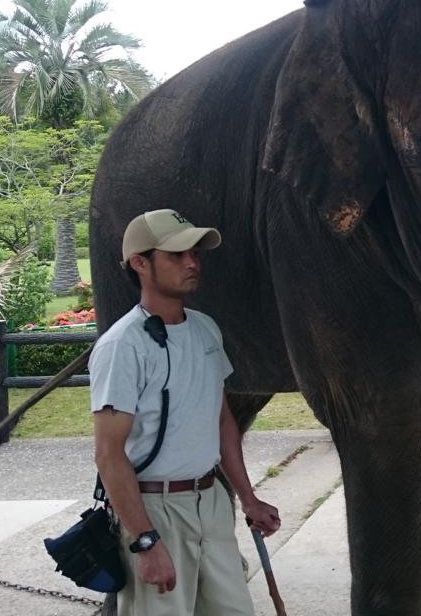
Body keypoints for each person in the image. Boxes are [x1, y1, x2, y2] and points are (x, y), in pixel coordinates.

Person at [90, 208, 281, 615]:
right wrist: (144, 540)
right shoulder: (122, 345)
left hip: (210, 500)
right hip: (153, 509)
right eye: (176, 255)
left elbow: (222, 420)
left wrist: (247, 498)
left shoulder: (205, 329)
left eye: (195, 253)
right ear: (140, 263)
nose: (192, 262)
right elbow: (109, 454)